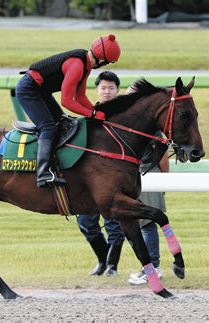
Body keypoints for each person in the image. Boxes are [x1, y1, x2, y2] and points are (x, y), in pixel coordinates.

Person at [16, 34, 121, 187]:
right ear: (102, 60)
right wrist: (91, 114)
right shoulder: (77, 65)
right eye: (107, 63)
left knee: (63, 122)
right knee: (48, 127)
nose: (105, 66)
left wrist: (96, 112)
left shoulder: (86, 65)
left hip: (41, 91)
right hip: (29, 90)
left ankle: (57, 165)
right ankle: (43, 174)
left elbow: (80, 96)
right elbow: (66, 101)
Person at [77, 71, 125, 277]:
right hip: (90, 179)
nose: (107, 91)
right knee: (85, 222)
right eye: (103, 88)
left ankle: (112, 265)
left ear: (117, 91)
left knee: (114, 223)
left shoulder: (125, 116)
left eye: (111, 88)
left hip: (114, 178)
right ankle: (102, 260)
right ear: (97, 90)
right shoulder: (89, 114)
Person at [124, 84, 169, 285]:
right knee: (141, 224)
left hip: (148, 174)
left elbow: (163, 155)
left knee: (147, 224)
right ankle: (149, 267)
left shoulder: (150, 126)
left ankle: (154, 267)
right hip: (136, 175)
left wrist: (161, 180)